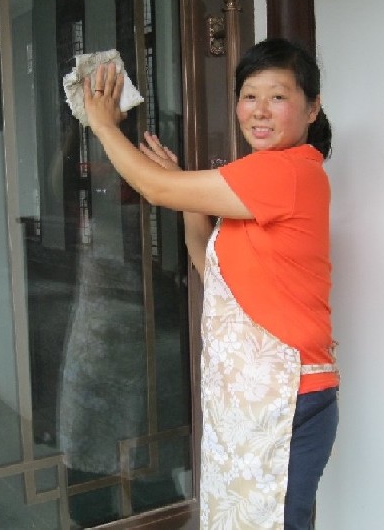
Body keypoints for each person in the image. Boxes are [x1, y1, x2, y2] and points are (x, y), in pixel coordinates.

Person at [82, 37, 339, 530]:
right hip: (249, 400)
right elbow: (207, 264)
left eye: (278, 96)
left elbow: (154, 188)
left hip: (286, 397)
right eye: (249, 95)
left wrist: (103, 125)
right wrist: (189, 196)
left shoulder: (285, 172)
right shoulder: (263, 182)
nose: (259, 110)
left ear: (312, 108)